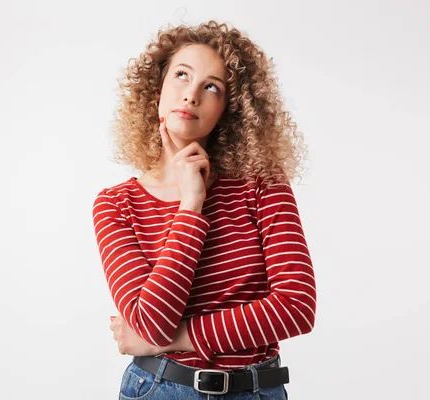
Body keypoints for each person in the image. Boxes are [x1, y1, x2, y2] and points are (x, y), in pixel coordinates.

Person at [92, 20, 316, 399]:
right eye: (181, 75)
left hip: (255, 390)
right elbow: (151, 323)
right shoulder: (116, 205)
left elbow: (296, 306)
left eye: (212, 86)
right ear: (156, 87)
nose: (191, 95)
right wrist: (191, 205)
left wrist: (175, 339)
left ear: (229, 108)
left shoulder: (261, 184)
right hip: (160, 389)